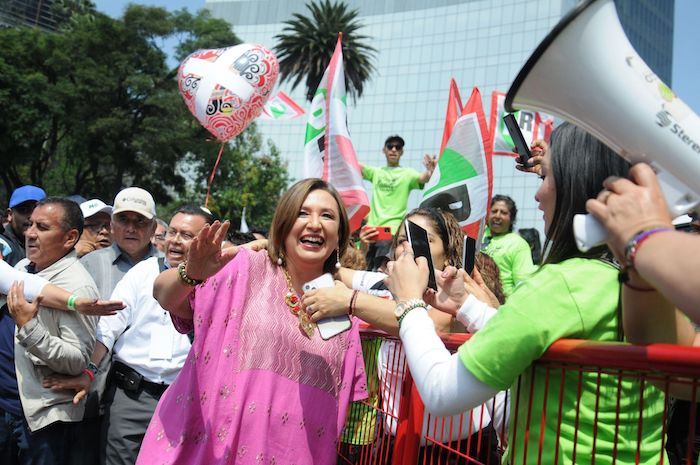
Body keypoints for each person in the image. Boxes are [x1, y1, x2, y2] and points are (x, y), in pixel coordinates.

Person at [383, 122, 666, 464]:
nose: (537, 194)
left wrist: (410, 304)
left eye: (546, 177)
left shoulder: (561, 284)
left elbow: (442, 391)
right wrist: (465, 305)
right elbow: (536, 336)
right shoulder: (645, 279)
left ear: (574, 185)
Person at [137, 178, 367, 465]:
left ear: (339, 235)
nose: (315, 224)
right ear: (283, 223)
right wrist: (190, 272)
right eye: (303, 213)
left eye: (328, 216)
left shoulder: (345, 308)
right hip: (211, 452)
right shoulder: (246, 267)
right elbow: (164, 294)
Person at [304, 208, 506, 463]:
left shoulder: (456, 293)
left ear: (447, 253)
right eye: (402, 240)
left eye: (424, 239)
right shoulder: (383, 286)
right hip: (399, 445)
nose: (409, 248)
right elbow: (335, 269)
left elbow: (431, 324)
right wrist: (280, 243)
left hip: (461, 451)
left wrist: (350, 300)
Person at [2, 198, 99, 465]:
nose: (30, 233)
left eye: (42, 227)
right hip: (6, 408)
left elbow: (77, 359)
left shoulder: (79, 288)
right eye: (30, 224)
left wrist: (29, 327)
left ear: (70, 237)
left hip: (42, 418)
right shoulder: (21, 269)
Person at [481, 194, 536, 296]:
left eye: (503, 213)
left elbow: (523, 283)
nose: (497, 216)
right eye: (494, 211)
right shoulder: (477, 236)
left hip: (501, 304)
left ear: (511, 219)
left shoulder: (518, 244)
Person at [1, 185, 47, 266]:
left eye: (37, 210)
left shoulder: (50, 245)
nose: (31, 216)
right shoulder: (3, 246)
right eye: (24, 210)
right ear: (10, 215)